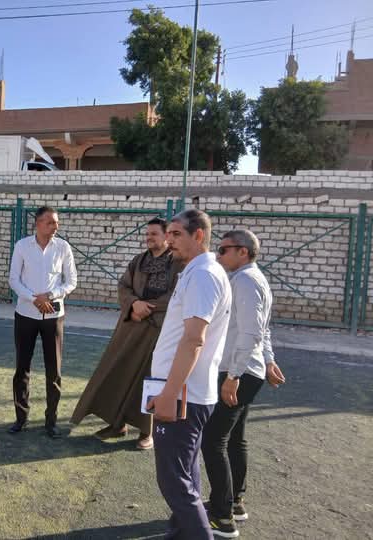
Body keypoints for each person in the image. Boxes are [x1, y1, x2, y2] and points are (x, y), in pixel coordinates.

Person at [147, 209, 232, 540]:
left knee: (173, 480)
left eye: (176, 234)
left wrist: (169, 394)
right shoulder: (198, 272)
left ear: (199, 235)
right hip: (189, 391)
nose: (169, 240)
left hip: (184, 394)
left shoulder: (203, 275)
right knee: (186, 472)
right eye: (168, 233)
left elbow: (194, 338)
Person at [70, 217, 184, 449]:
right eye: (147, 234)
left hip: (158, 330)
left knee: (149, 379)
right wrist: (133, 304)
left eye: (154, 234)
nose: (149, 237)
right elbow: (123, 286)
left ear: (166, 236)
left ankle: (146, 431)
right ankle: (117, 423)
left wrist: (146, 308)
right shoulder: (138, 261)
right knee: (118, 372)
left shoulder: (178, 264)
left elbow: (176, 295)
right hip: (131, 325)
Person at [202, 230, 286, 538]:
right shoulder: (248, 278)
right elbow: (262, 329)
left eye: (224, 249)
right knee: (234, 438)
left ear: (243, 251)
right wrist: (269, 360)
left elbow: (252, 332)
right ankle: (234, 501)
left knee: (213, 440)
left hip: (238, 373)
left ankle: (222, 516)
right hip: (246, 370)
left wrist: (233, 377)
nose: (218, 254)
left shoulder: (246, 281)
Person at [8, 206, 78, 438]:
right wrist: (34, 299)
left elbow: (71, 281)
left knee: (53, 370)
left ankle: (51, 421)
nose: (55, 226)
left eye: (56, 222)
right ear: (37, 223)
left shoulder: (63, 247)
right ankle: (21, 418)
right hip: (25, 314)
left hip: (53, 317)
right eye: (50, 222)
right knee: (22, 368)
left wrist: (50, 296)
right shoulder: (22, 246)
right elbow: (14, 280)